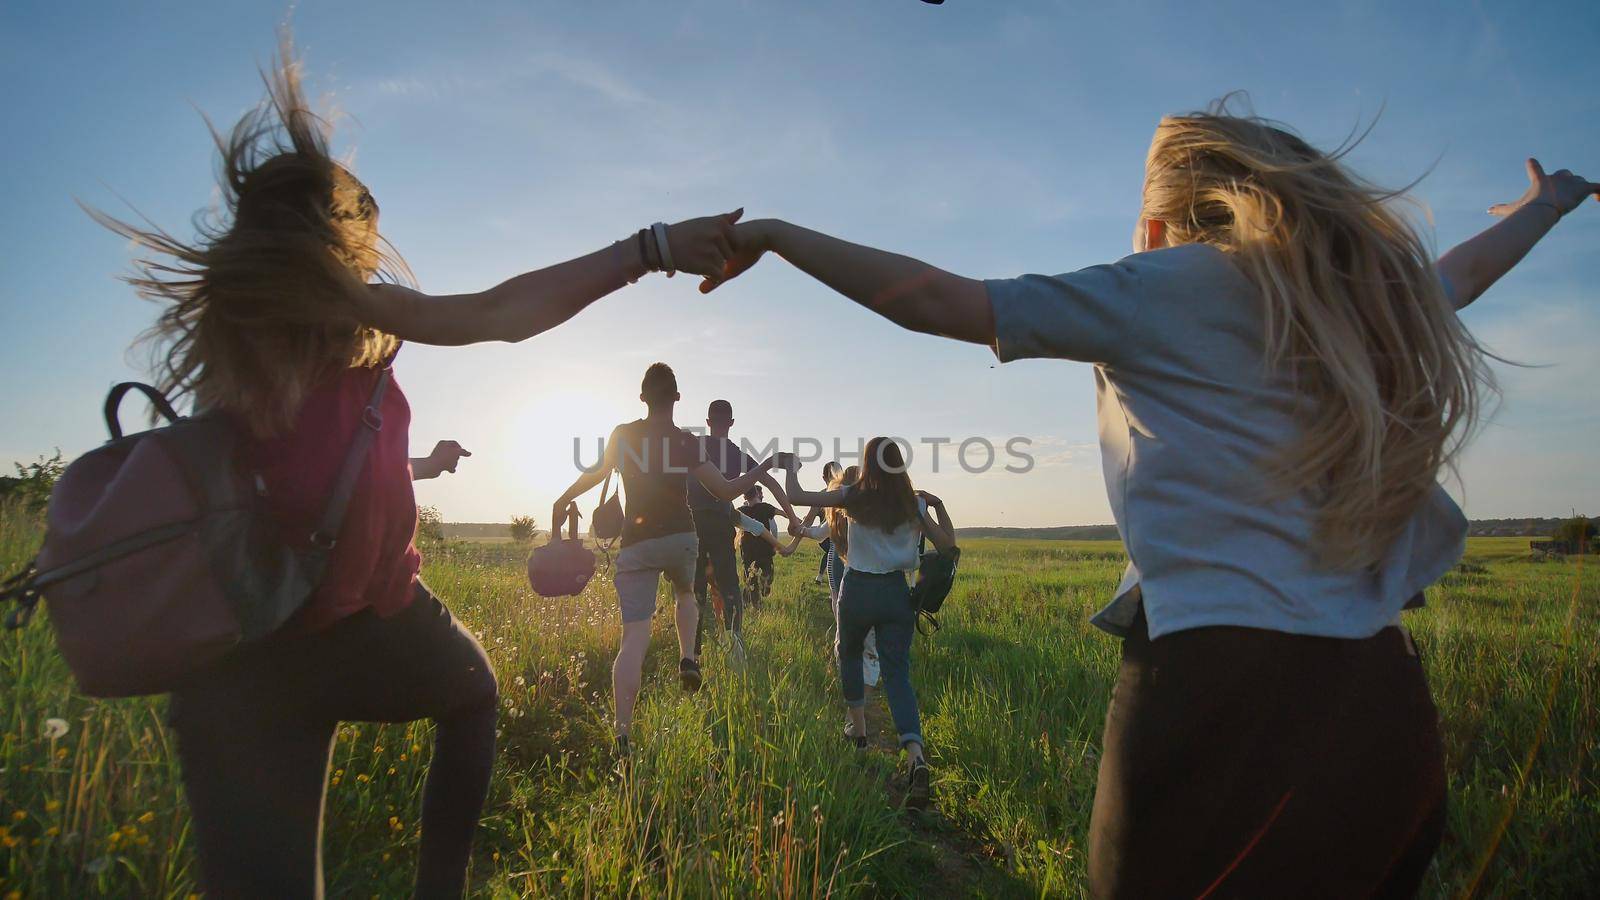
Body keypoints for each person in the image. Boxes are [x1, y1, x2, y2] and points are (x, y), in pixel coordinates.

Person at [707, 98, 1598, 896]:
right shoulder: (1355, 296)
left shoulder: (1155, 286)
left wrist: (781, 235)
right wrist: (1547, 205)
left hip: (1217, 689)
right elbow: (1466, 276)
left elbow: (936, 300)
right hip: (1386, 711)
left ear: (1162, 222)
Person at [90, 39, 745, 899]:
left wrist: (422, 465)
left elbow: (287, 464)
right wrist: (651, 246)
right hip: (359, 622)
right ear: (334, 235)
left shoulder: (237, 324)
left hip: (233, 657)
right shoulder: (342, 305)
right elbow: (500, 314)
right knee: (472, 695)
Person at [550, 364, 776, 754]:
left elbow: (595, 474)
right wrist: (764, 466)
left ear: (642, 398)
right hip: (682, 538)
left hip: (637, 543)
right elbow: (725, 491)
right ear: (676, 399)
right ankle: (688, 657)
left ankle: (622, 731)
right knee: (686, 593)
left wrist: (564, 497)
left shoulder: (623, 435)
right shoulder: (689, 443)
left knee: (634, 636)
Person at [782, 439, 956, 809]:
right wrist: (937, 505)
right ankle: (915, 756)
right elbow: (947, 545)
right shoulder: (915, 504)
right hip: (897, 593)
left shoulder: (852, 496)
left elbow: (798, 496)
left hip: (858, 589)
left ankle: (859, 734)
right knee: (898, 674)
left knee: (849, 655)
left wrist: (791, 467)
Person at [689, 399, 796, 656]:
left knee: (695, 590)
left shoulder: (693, 447)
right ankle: (735, 647)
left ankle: (691, 654)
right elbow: (770, 483)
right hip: (720, 525)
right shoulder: (739, 455)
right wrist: (792, 516)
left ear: (707, 422)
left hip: (691, 526)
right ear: (732, 423)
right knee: (729, 587)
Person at [737, 485, 781, 606]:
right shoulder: (766, 508)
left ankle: (755, 603)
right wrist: (796, 521)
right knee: (764, 574)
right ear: (757, 494)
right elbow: (776, 525)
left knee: (750, 579)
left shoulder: (741, 510)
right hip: (763, 550)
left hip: (748, 551)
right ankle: (756, 600)